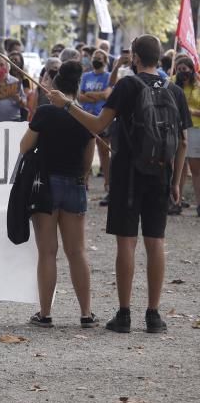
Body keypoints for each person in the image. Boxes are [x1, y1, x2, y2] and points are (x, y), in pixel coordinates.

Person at [48, 35, 189, 333]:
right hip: (162, 173)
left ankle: (124, 314)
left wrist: (67, 105)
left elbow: (99, 126)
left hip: (128, 173)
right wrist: (176, 181)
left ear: (135, 57)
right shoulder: (175, 90)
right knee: (156, 242)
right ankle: (153, 314)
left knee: (126, 242)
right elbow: (183, 141)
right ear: (159, 57)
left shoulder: (128, 85)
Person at [21, 60, 98, 329]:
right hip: (74, 184)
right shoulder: (86, 117)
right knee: (77, 252)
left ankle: (45, 313)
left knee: (47, 252)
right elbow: (88, 161)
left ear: (55, 85)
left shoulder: (44, 114)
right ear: (78, 86)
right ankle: (86, 313)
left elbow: (24, 146)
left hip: (45, 186)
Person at [78, 48, 112, 195]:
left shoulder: (109, 76)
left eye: (99, 57)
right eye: (94, 57)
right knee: (84, 149)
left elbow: (107, 95)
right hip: (86, 115)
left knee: (104, 151)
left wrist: (90, 94)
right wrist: (97, 96)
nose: (96, 59)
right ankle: (84, 181)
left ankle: (108, 182)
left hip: (101, 116)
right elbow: (80, 96)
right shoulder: (85, 76)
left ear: (105, 61)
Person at [173, 55, 200, 216]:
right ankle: (176, 202)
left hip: (195, 129)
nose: (182, 72)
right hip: (177, 130)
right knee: (179, 168)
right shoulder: (172, 86)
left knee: (196, 170)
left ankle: (199, 204)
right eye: (179, 69)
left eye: (185, 69)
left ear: (191, 69)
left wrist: (192, 112)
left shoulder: (198, 87)